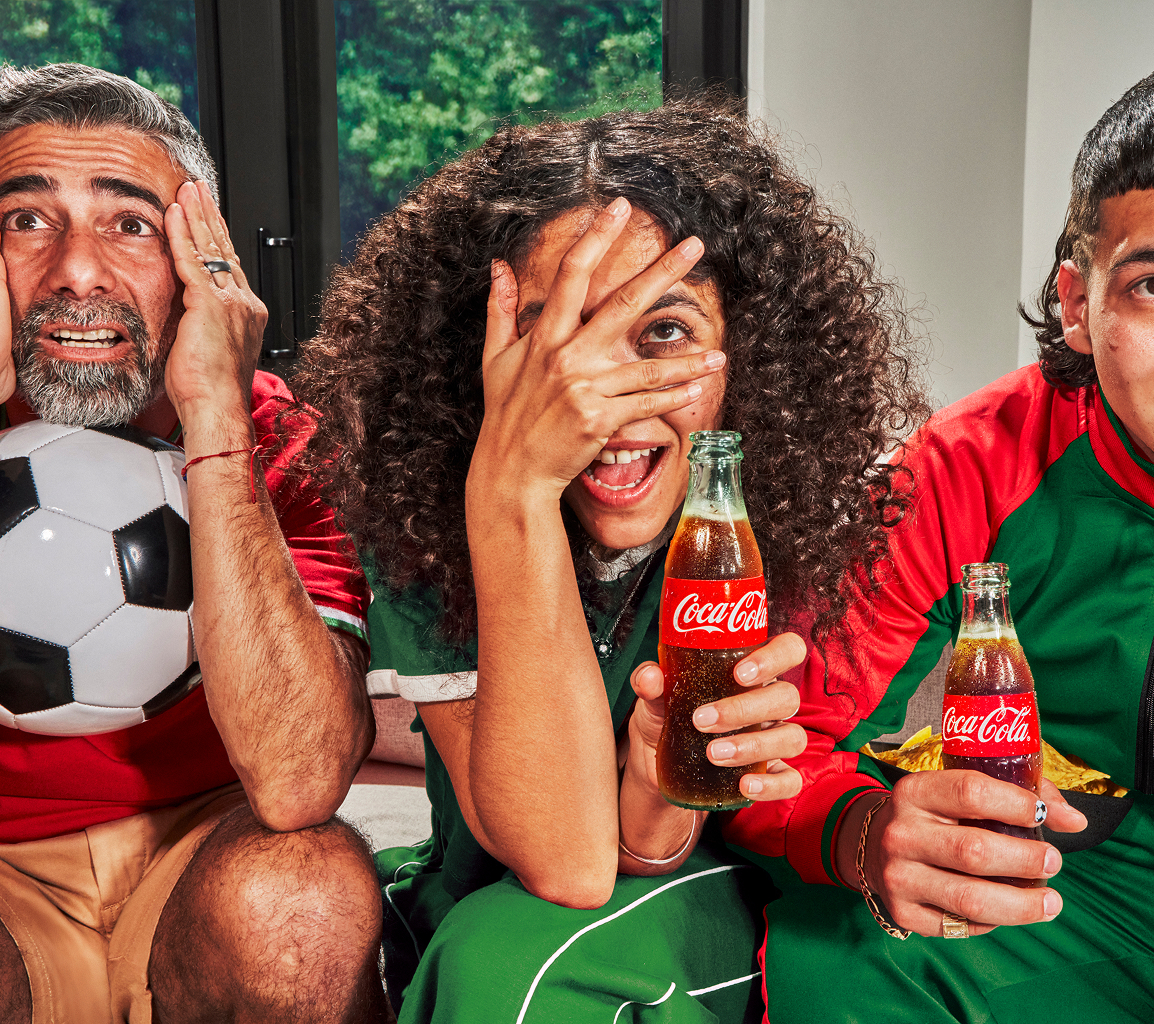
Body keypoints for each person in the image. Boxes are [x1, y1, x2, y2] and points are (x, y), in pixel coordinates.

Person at [291, 96, 929, 1022]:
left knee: (503, 964)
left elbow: (647, 847)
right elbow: (567, 858)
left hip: (727, 904)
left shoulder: (780, 521)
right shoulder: (426, 513)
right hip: (517, 887)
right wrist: (510, 485)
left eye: (662, 332)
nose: (598, 397)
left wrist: (661, 789)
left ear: (750, 349)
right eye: (553, 340)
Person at [725, 56, 1154, 1023]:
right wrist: (864, 832)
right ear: (1078, 305)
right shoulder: (969, 464)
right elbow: (781, 743)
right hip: (1065, 892)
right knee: (845, 954)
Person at [0, 64, 390, 1023]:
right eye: (27, 220)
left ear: (201, 261)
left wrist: (216, 414)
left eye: (130, 224)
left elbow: (300, 779)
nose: (78, 271)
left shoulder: (285, 439)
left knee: (305, 902)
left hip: (199, 856)